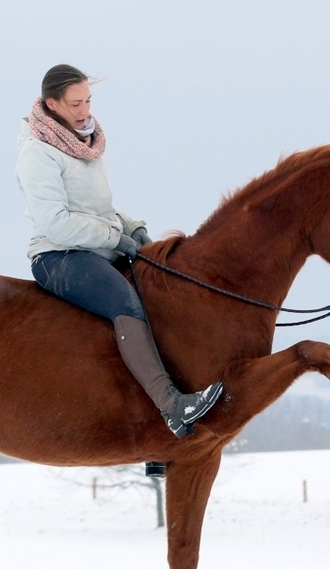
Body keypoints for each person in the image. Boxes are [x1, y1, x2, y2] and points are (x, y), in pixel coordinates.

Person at [16, 64, 223, 438]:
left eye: (88, 100)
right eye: (76, 103)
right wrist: (116, 240)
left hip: (95, 244)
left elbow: (98, 208)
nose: (85, 110)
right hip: (59, 255)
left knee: (162, 293)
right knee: (124, 303)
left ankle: (157, 429)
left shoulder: (83, 142)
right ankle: (172, 408)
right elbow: (56, 223)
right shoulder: (38, 154)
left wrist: (133, 227)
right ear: (52, 103)